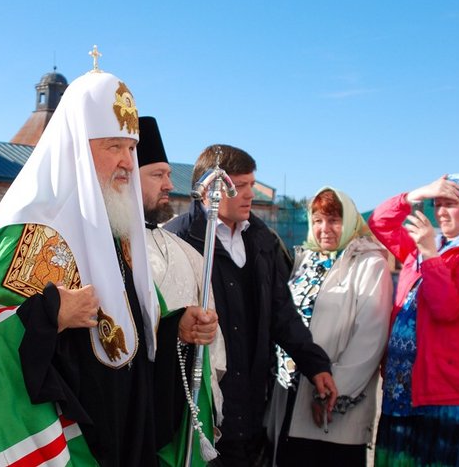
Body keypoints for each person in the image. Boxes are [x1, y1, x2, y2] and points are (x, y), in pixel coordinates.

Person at [0, 67, 219, 466]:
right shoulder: (31, 232)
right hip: (71, 445)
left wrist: (177, 327)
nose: (126, 162)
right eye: (112, 147)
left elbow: (134, 341)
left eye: (131, 148)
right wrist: (47, 316)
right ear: (75, 148)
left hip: (126, 437)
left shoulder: (120, 231)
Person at [166, 144, 337, 467]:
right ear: (210, 189)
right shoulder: (179, 239)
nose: (249, 195)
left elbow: (281, 313)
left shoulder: (262, 240)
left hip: (252, 403)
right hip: (199, 405)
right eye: (240, 186)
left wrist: (315, 364)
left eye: (250, 185)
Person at [368, 174, 459, 466]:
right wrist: (418, 193)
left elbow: (447, 307)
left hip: (446, 391)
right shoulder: (421, 248)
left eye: (450, 203)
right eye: (437, 204)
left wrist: (430, 253)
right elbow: (379, 222)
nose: (440, 211)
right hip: (402, 388)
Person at [265, 187, 392, 467]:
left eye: (334, 220)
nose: (325, 229)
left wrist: (331, 394)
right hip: (289, 395)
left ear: (348, 221)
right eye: (318, 220)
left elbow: (370, 339)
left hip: (334, 403)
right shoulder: (305, 260)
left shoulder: (370, 264)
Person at [137, 116, 227, 426]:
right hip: (134, 407)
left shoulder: (188, 254)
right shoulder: (101, 250)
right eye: (157, 175)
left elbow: (212, 349)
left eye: (169, 174)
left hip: (180, 408)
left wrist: (205, 328)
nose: (169, 185)